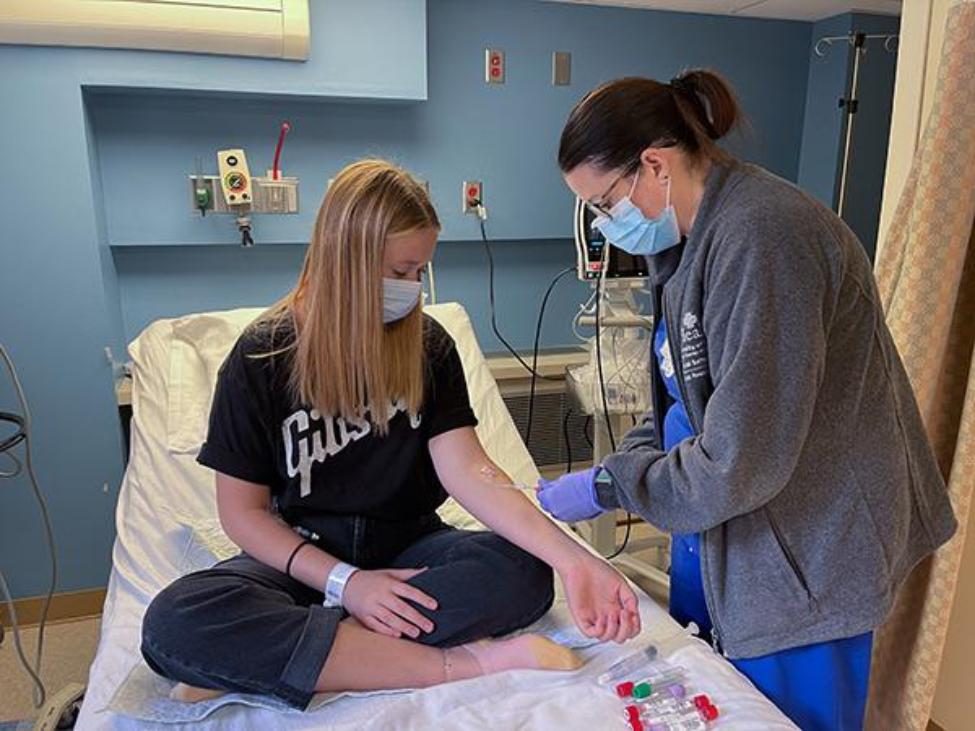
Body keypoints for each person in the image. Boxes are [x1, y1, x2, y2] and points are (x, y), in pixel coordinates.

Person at [537, 71, 957, 731]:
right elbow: (685, 394)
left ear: (654, 164)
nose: (602, 224)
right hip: (731, 532)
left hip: (805, 554)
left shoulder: (765, 237)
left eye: (602, 202)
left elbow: (740, 461)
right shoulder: (686, 245)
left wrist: (611, 482)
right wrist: (628, 460)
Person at [141, 159, 640, 709]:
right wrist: (347, 585)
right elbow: (243, 516)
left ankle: (286, 655)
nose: (412, 289)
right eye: (400, 272)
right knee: (177, 621)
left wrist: (575, 559)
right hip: (305, 557)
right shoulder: (262, 356)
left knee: (522, 571)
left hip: (410, 547)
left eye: (419, 272)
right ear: (346, 260)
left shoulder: (428, 347)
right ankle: (453, 664)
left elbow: (470, 472)